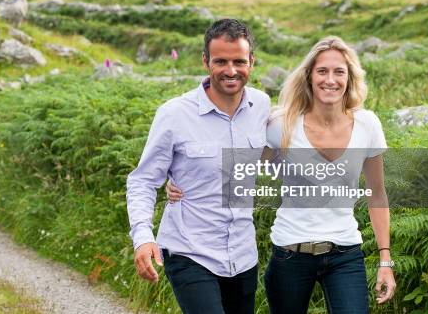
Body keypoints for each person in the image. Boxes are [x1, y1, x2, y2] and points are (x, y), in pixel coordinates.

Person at [168, 36, 396, 313]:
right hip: (290, 253)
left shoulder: (367, 125)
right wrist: (183, 178)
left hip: (344, 253)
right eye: (322, 71)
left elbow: (377, 193)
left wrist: (385, 260)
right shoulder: (282, 124)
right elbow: (239, 167)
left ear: (350, 78)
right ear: (309, 76)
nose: (330, 80)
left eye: (339, 72)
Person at [126, 18, 270, 314]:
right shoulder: (175, 114)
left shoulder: (262, 106)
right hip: (190, 250)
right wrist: (143, 238)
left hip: (243, 253)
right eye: (221, 61)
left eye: (239, 61)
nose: (231, 71)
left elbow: (281, 155)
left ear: (252, 61)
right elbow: (142, 181)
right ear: (205, 61)